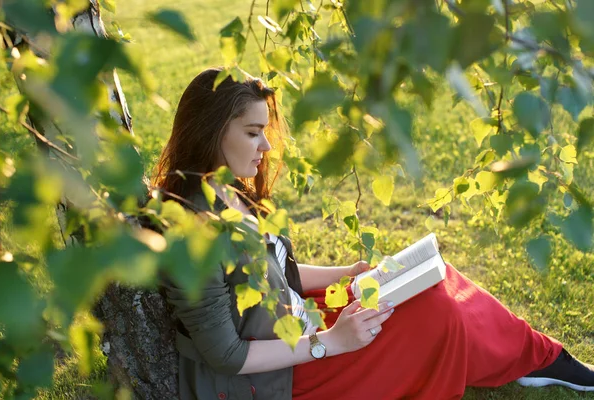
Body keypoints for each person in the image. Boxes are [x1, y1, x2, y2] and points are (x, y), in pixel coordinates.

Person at [152, 67, 594, 400]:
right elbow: (225, 356)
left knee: (435, 279)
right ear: (211, 132)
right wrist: (330, 342)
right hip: (271, 376)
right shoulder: (190, 233)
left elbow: (277, 274)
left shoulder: (229, 191)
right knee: (434, 312)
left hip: (295, 326)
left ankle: (538, 356)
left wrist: (352, 271)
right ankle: (527, 360)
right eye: (253, 133)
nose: (266, 147)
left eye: (264, 132)